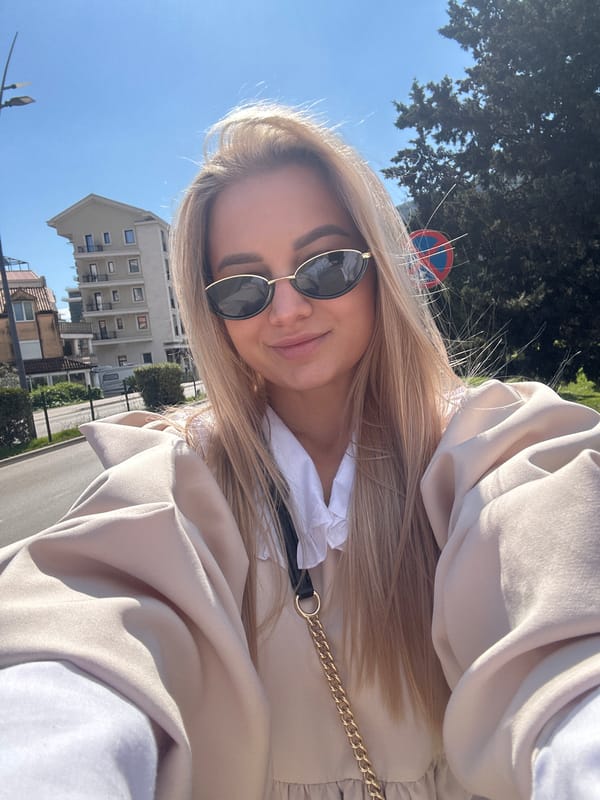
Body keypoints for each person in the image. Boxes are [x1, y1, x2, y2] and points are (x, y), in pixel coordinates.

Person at [1, 103, 599, 800]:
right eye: (242, 288)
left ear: (380, 266)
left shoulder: (483, 444)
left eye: (326, 266)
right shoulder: (182, 474)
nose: (285, 311)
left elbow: (559, 588)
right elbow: (86, 627)